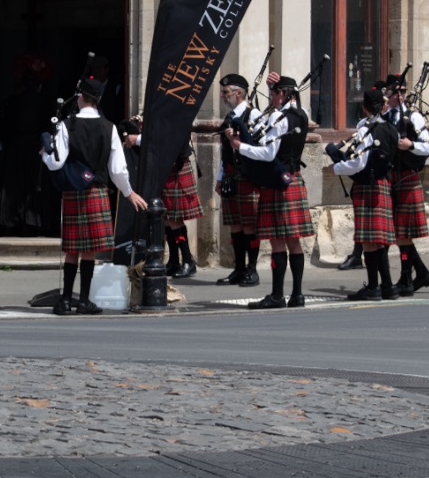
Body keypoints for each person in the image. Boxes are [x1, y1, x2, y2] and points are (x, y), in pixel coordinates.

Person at [41, 76, 148, 315]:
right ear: (98, 99)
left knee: (72, 249)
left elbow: (56, 162)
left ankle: (65, 300)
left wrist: (44, 155)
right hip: (96, 191)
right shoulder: (109, 127)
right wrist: (129, 193)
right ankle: (83, 301)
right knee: (89, 250)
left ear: (80, 97)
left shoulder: (66, 125)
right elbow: (117, 169)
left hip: (73, 191)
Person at [227, 73, 313, 309]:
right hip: (294, 179)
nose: (271, 99)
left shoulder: (279, 117)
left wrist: (240, 146)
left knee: (277, 242)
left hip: (277, 183)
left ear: (282, 93)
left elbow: (268, 153)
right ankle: (297, 295)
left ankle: (276, 296)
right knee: (294, 242)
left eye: (273, 94)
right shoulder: (302, 114)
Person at [329, 88, 401, 300]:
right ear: (383, 106)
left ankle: (372, 287)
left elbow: (359, 163)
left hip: (367, 185)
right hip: (384, 184)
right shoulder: (392, 130)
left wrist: (338, 167)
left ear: (364, 107)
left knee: (369, 240)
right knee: (379, 240)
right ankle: (387, 286)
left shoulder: (365, 130)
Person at [124, 123, 202, 278]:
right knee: (166, 218)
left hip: (175, 168)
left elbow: (167, 139)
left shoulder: (178, 113)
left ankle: (188, 261)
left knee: (174, 219)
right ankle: (174, 261)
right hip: (165, 168)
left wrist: (138, 139)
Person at [384, 73, 429, 295]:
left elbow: (428, 147)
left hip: (407, 178)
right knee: (399, 235)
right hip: (389, 179)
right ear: (387, 92)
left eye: (403, 91)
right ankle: (420, 274)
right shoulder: (383, 116)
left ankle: (407, 278)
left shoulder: (414, 117)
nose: (399, 95)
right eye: (395, 91)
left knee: (403, 234)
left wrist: (410, 145)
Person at [213, 73, 261, 286]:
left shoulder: (254, 115)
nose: (223, 96)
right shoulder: (229, 117)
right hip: (231, 176)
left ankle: (252, 269)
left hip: (248, 176)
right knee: (235, 224)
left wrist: (239, 138)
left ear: (239, 93)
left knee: (249, 224)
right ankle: (239, 269)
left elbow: (259, 146)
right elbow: (225, 152)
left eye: (226, 92)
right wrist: (220, 177)